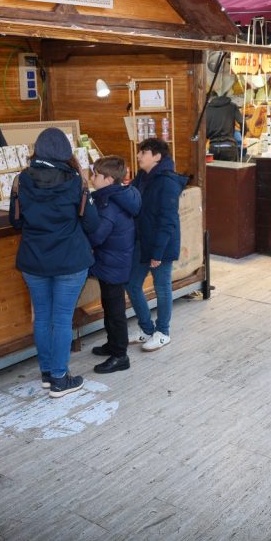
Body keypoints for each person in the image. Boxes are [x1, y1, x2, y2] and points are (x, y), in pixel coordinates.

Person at [10, 127, 98, 398]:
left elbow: (15, 222)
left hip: (34, 260)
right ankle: (60, 378)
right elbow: (92, 223)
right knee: (61, 318)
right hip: (69, 260)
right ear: (65, 152)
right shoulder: (76, 181)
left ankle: (48, 374)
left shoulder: (21, 180)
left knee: (42, 317)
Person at [126, 138, 188, 352]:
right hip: (142, 241)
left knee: (162, 287)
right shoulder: (142, 176)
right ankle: (146, 329)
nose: (138, 156)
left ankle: (163, 332)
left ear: (157, 156)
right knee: (132, 284)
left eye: (143, 152)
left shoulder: (167, 182)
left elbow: (168, 221)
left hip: (161, 245)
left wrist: (158, 253)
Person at [87, 156, 142, 374]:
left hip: (113, 263)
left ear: (109, 179)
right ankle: (113, 344)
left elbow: (97, 236)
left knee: (115, 310)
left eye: (96, 175)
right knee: (110, 306)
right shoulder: (117, 196)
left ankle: (120, 355)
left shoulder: (109, 204)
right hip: (113, 260)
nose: (92, 178)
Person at [206, 90, 243, 161]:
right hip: (229, 146)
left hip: (214, 146)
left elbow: (204, 129)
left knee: (215, 168)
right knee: (230, 168)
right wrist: (243, 136)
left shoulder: (207, 109)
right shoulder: (232, 106)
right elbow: (242, 122)